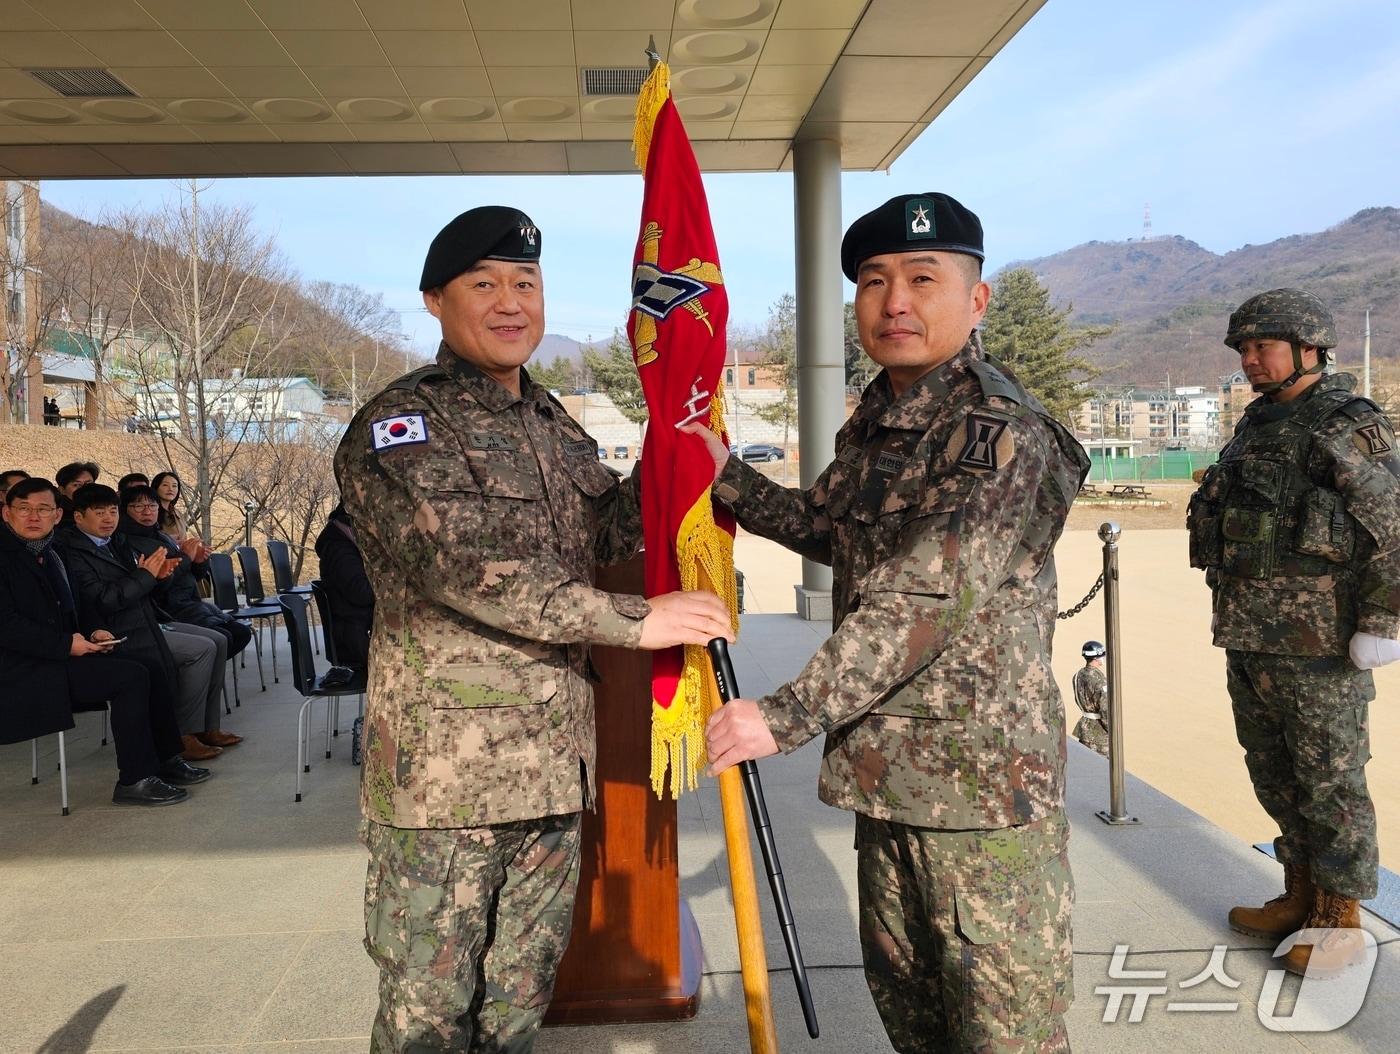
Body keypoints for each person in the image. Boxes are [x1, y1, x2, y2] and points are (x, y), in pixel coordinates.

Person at [334, 205, 734, 1054]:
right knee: (428, 1014)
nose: (510, 301)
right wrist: (639, 618)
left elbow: (607, 532)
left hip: (554, 767)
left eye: (526, 283)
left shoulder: (551, 424)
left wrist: (676, 458)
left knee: (518, 1000)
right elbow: (470, 569)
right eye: (484, 284)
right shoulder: (401, 426)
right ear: (436, 301)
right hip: (447, 787)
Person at [701, 193, 1089, 1053]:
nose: (895, 302)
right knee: (913, 1014)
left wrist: (783, 713)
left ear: (977, 299)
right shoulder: (881, 422)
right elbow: (827, 531)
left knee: (1002, 1031)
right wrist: (720, 474)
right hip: (889, 773)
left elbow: (927, 595)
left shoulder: (996, 430)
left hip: (982, 791)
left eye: (922, 278)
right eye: (873, 282)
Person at [1187, 288, 1400, 977]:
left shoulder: (1344, 422)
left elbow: (1390, 527)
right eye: (1244, 349)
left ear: (1310, 349)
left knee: (1330, 779)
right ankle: (1300, 892)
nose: (1249, 360)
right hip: (1252, 634)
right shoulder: (1257, 423)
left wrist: (1382, 621)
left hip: (1320, 644)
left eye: (1262, 347)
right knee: (1274, 772)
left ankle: (1340, 916)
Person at [0, 478, 208, 805]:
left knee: (149, 665)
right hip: (26, 669)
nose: (33, 517)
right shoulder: (8, 556)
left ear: (57, 515)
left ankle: (166, 758)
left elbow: (80, 605)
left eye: (42, 509)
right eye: (23, 509)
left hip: (61, 656)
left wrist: (95, 629)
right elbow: (8, 627)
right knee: (130, 677)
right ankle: (134, 780)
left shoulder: (53, 552)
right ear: (6, 513)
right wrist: (68, 644)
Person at [57, 484, 227, 763]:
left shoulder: (117, 543)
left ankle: (207, 727)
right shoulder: (74, 552)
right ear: (78, 517)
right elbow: (104, 599)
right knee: (202, 649)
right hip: (119, 630)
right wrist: (147, 576)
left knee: (218, 639)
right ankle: (183, 734)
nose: (108, 518)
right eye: (99, 512)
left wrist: (161, 576)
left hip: (146, 620)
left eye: (112, 511)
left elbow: (148, 587)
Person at [119, 484, 249, 748]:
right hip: (167, 612)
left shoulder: (161, 536)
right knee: (211, 645)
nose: (147, 512)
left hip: (185, 604)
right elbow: (159, 589)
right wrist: (185, 559)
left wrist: (198, 562)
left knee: (224, 640)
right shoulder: (128, 543)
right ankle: (185, 730)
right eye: (139, 507)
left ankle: (207, 726)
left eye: (152, 506)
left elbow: (186, 579)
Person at [313, 501, 373, 672]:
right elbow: (362, 593)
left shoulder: (345, 540)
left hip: (359, 632)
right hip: (353, 642)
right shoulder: (339, 547)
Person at [1072, 640, 1110, 758]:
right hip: (1099, 735)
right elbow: (1105, 709)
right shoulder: (1100, 680)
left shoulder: (1078, 675)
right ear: (1096, 658)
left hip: (1084, 729)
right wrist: (1111, 728)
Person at [150, 471, 187, 539]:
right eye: (165, 485)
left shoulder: (178, 514)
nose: (170, 489)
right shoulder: (150, 512)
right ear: (156, 487)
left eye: (174, 486)